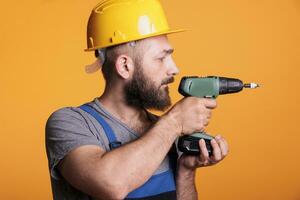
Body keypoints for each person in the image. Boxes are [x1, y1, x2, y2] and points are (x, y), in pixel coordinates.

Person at [45, 0, 229, 199]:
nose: (174, 69)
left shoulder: (164, 131)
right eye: (161, 58)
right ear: (125, 66)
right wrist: (175, 120)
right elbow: (110, 184)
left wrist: (186, 170)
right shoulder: (72, 123)